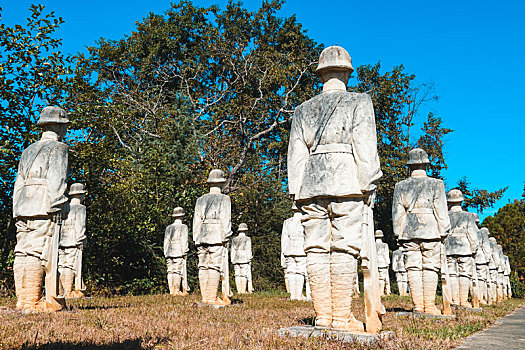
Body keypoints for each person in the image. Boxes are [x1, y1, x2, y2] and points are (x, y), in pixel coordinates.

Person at [288, 45, 383, 332]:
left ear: (321, 74)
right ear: (347, 72)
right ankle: (340, 317)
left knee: (315, 249)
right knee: (344, 247)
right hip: (346, 180)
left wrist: (296, 191)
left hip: (311, 183)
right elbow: (365, 146)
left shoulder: (303, 109)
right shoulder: (359, 101)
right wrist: (369, 183)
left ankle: (323, 316)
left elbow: (296, 154)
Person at [12, 106, 70, 311]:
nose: (65, 131)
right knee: (38, 252)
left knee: (22, 252)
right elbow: (57, 180)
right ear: (58, 126)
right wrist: (58, 205)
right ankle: (30, 301)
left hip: (23, 205)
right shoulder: (59, 148)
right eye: (64, 127)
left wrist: (15, 209)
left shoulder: (28, 150)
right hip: (43, 205)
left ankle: (22, 300)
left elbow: (18, 182)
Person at [392, 148, 451, 315]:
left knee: (413, 268)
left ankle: (418, 305)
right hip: (430, 229)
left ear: (409, 165)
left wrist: (398, 232)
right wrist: (443, 231)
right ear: (426, 163)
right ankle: (429, 305)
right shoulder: (436, 184)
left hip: (408, 230)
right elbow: (441, 209)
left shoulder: (400, 186)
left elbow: (397, 212)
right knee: (430, 267)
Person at [193, 169, 232, 305]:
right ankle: (212, 297)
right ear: (221, 183)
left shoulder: (200, 200)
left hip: (201, 235)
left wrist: (196, 238)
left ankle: (206, 297)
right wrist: (226, 236)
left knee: (203, 266)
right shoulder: (224, 199)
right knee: (215, 266)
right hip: (216, 235)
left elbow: (196, 220)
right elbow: (225, 219)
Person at [445, 189, 478, 308]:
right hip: (464, 248)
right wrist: (473, 249)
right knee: (464, 274)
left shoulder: (445, 215)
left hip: (448, 247)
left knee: (452, 274)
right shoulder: (468, 216)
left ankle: (454, 300)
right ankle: (463, 301)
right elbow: (472, 235)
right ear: (461, 202)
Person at [59, 183, 87, 299]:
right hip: (73, 242)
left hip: (61, 242)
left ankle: (62, 290)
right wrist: (81, 240)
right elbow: (80, 225)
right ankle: (68, 291)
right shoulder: (80, 208)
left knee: (62, 265)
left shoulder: (63, 207)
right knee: (71, 266)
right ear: (81, 195)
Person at [281, 204, 310, 301]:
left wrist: (284, 252)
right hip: (302, 250)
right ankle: (298, 295)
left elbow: (284, 239)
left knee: (291, 272)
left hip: (289, 250)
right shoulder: (306, 220)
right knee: (301, 272)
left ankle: (294, 295)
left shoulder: (287, 222)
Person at [164, 207, 189, 295]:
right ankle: (176, 290)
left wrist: (165, 252)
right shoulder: (183, 227)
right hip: (178, 251)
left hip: (169, 251)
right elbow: (184, 240)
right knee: (177, 270)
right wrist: (184, 251)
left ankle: (172, 290)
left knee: (170, 270)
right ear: (182, 216)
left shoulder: (168, 228)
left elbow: (166, 241)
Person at [231, 223, 253, 294]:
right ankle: (243, 291)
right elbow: (248, 249)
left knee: (237, 274)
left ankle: (239, 291)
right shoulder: (247, 239)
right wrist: (249, 258)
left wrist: (232, 259)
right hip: (244, 257)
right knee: (243, 274)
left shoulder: (234, 239)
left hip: (236, 258)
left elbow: (232, 250)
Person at [375, 230, 390, 296]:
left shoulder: (371, 245)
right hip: (382, 262)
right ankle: (381, 292)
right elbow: (385, 254)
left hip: (374, 263)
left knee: (375, 277)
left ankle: (375, 292)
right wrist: (388, 262)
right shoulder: (384, 245)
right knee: (382, 278)